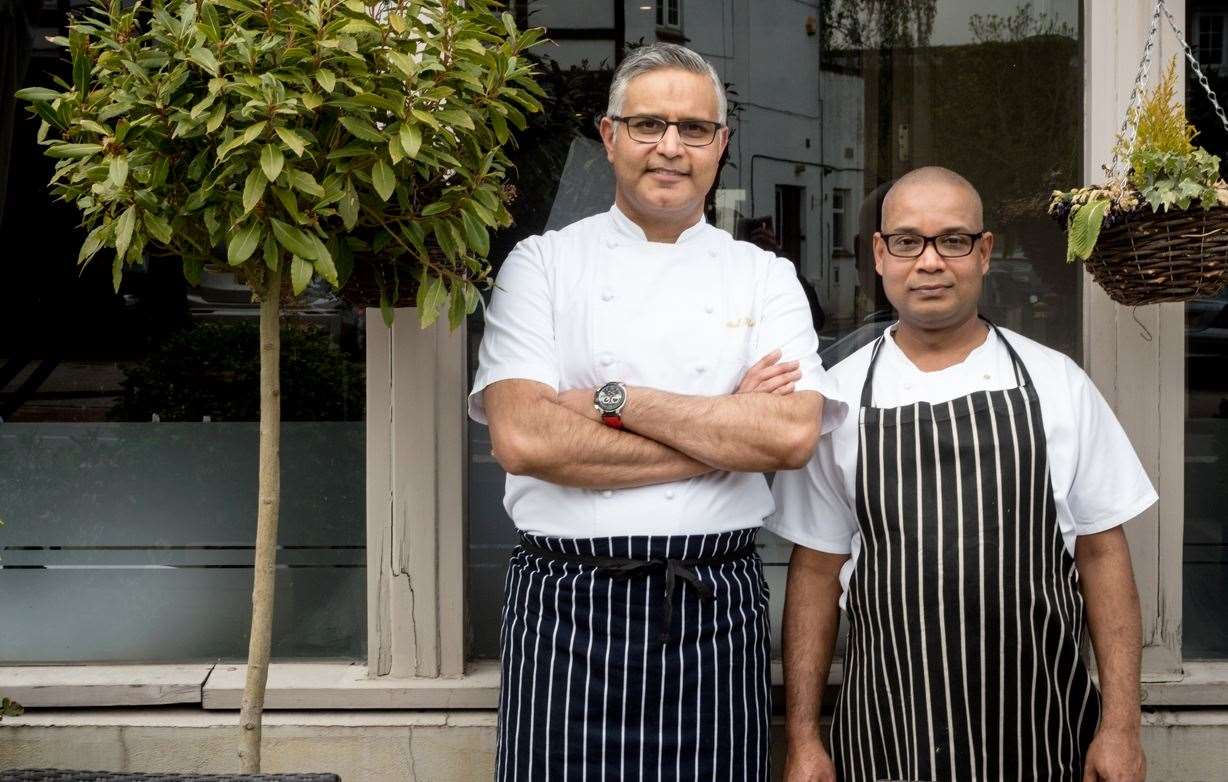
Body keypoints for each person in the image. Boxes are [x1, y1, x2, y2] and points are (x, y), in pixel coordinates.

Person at [468, 43, 844, 780]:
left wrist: (614, 402)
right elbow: (524, 438)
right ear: (609, 137)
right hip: (566, 606)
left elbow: (792, 433)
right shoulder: (541, 265)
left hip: (714, 604)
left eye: (694, 129)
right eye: (647, 125)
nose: (670, 147)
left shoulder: (763, 277)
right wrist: (727, 431)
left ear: (720, 146)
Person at [768, 166, 1155, 782]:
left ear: (983, 253)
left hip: (1043, 730)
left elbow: (1104, 557)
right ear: (878, 253)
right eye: (906, 241)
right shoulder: (836, 401)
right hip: (885, 731)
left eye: (952, 240)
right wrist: (805, 738)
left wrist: (1120, 727)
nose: (929, 262)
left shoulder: (1058, 384)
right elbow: (815, 572)